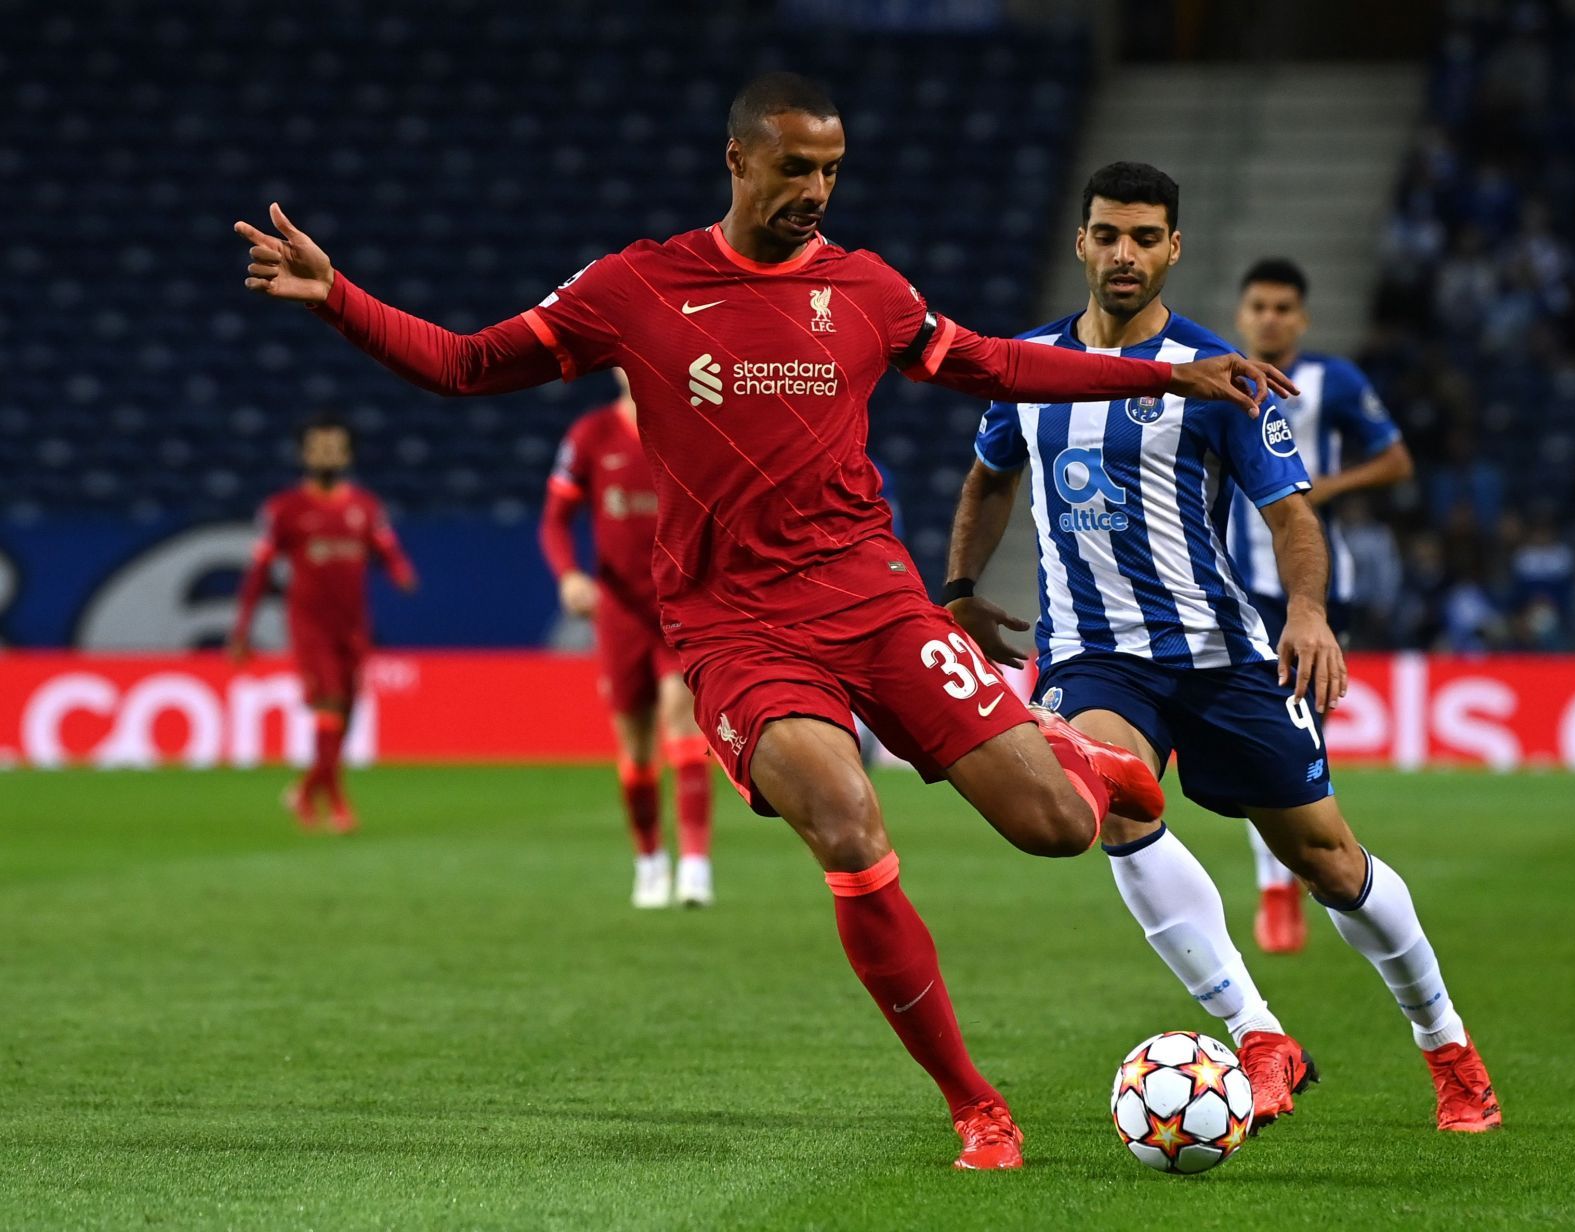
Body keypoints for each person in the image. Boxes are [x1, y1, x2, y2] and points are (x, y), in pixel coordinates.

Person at [232, 72, 1292, 1170]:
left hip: (874, 597)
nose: (816, 191)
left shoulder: (867, 287)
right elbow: (463, 364)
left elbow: (990, 358)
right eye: (796, 168)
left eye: (831, 169)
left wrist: (1159, 378)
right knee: (845, 820)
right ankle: (976, 1103)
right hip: (735, 625)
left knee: (1058, 827)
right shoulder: (636, 284)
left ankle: (1067, 754)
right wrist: (339, 295)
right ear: (738, 159)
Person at [946, 162, 1501, 1134]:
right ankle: (1256, 1029)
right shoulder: (1024, 367)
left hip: (1222, 653)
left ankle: (1449, 1047)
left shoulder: (1216, 375)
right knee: (1114, 798)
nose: (1125, 253)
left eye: (1146, 236)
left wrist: (1307, 610)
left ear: (1174, 247)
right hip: (1092, 654)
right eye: (1108, 234)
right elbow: (989, 476)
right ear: (1080, 242)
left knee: (1330, 860)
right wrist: (960, 588)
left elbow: (1290, 515)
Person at [1227, 258, 1414, 954]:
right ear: (1243, 315)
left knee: (1300, 740)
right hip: (1239, 587)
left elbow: (1395, 459)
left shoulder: (1333, 381)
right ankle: (1278, 887)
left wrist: (1323, 491)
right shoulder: (1216, 377)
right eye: (1259, 307)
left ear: (1300, 318)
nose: (1270, 318)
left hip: (1312, 587)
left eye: (1283, 308)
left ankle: (1291, 876)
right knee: (1268, 739)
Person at [542, 368, 714, 908]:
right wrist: (569, 573)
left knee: (681, 723)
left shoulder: (693, 428)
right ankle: (649, 860)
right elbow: (554, 520)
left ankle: (695, 864)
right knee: (636, 752)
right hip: (619, 614)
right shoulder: (590, 435)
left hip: (679, 607)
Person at [229, 414, 417, 833]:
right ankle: (337, 801)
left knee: (345, 716)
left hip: (352, 625)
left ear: (347, 454)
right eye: (318, 447)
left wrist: (401, 571)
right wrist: (242, 630)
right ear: (304, 454)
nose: (326, 454)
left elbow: (387, 549)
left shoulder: (366, 507)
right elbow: (258, 573)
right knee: (329, 703)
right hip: (310, 625)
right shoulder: (284, 510)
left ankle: (306, 788)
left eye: (334, 447)